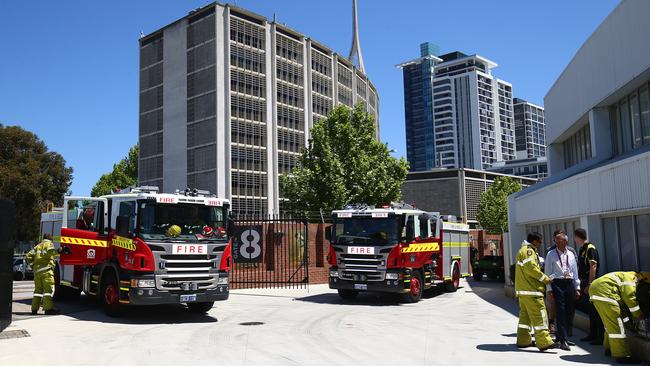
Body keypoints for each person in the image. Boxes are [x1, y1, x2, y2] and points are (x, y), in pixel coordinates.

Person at [589, 272, 650, 364]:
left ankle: (609, 348)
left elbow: (623, 308)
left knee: (609, 324)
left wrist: (629, 323)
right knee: (618, 325)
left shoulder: (625, 275)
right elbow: (630, 297)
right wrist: (638, 315)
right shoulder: (632, 279)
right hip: (605, 293)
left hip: (597, 291)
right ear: (643, 279)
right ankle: (622, 355)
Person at [515, 232, 558, 351]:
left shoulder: (522, 250)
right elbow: (531, 268)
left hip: (524, 291)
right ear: (534, 241)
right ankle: (544, 342)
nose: (540, 244)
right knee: (540, 316)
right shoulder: (529, 251)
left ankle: (523, 340)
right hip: (532, 291)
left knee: (525, 318)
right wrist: (545, 279)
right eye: (540, 241)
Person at [544, 231, 580, 351]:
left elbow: (575, 271)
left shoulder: (570, 254)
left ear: (566, 241)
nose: (559, 243)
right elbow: (547, 272)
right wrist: (549, 289)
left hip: (569, 283)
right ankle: (563, 340)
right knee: (561, 311)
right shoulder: (551, 254)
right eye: (557, 241)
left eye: (562, 241)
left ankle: (562, 336)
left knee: (570, 311)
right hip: (557, 283)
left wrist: (577, 287)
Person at [574, 228, 604, 344]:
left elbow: (593, 266)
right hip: (584, 281)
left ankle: (600, 336)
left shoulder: (590, 248)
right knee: (590, 310)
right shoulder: (583, 248)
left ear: (578, 236)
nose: (574, 239)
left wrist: (590, 284)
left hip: (590, 282)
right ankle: (592, 334)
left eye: (575, 237)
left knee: (595, 310)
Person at [25, 234, 62, 315]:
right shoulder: (48, 244)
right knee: (47, 291)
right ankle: (48, 309)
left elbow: (28, 256)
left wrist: (32, 266)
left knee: (38, 291)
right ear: (50, 239)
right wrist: (59, 250)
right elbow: (50, 251)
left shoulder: (37, 246)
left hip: (37, 273)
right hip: (46, 272)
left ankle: (34, 309)